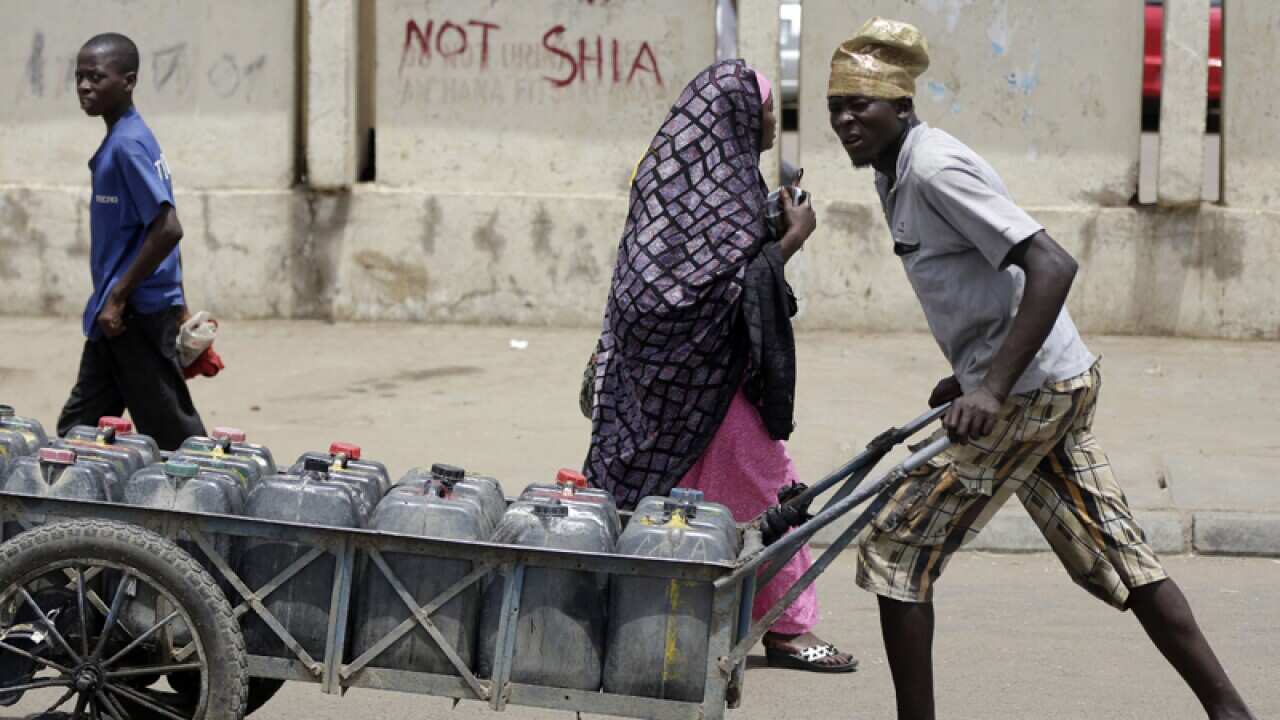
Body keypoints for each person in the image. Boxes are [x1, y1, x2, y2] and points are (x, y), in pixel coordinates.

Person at [826, 17, 1256, 719]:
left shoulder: (933, 168)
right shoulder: (892, 171)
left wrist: (992, 385)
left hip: (1032, 390)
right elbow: (977, 284)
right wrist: (972, 371)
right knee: (1117, 551)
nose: (846, 120)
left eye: (860, 106)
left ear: (902, 106)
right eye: (835, 108)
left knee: (896, 550)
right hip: (1048, 379)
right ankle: (1229, 710)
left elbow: (1051, 264)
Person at [584, 60, 855, 672]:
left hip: (656, 386)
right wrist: (791, 239)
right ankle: (786, 629)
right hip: (711, 385)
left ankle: (630, 613)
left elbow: (699, 268)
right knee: (770, 492)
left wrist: (767, 221)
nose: (771, 118)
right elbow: (717, 288)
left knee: (673, 496)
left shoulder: (679, 176)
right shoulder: (721, 190)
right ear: (734, 114)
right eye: (763, 107)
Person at [57, 33, 206, 451]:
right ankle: (60, 513)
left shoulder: (128, 144)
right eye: (80, 77)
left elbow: (167, 227)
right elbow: (152, 229)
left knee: (174, 438)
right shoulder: (123, 137)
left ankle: (203, 507)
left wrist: (121, 298)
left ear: (128, 81)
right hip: (114, 317)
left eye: (96, 77)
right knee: (78, 432)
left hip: (134, 317)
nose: (85, 86)